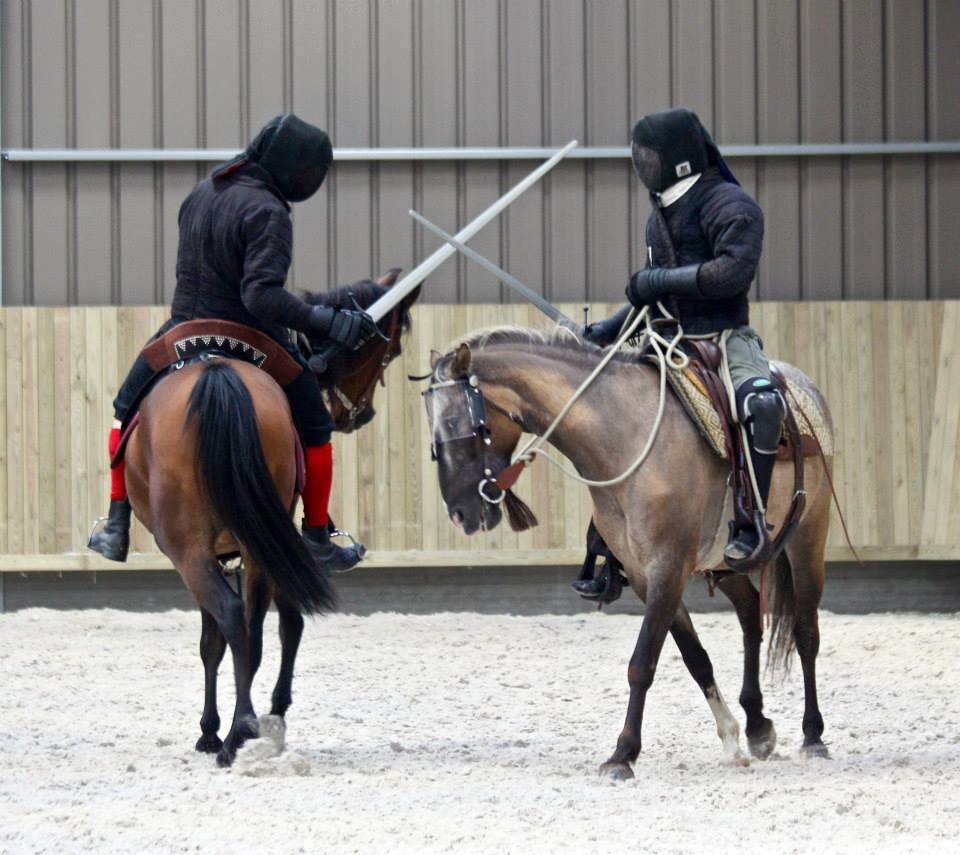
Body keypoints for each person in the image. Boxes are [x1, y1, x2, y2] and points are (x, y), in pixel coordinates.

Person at [88, 113, 377, 572]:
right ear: (294, 169)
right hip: (249, 334)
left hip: (183, 329)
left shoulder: (202, 193)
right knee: (316, 427)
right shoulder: (268, 211)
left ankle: (117, 520)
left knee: (125, 412)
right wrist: (326, 322)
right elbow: (260, 296)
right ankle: (318, 533)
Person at [583, 107, 784, 568]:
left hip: (723, 338)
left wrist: (659, 280)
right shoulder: (659, 217)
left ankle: (752, 521)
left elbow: (732, 273)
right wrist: (610, 328)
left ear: (677, 159)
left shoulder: (730, 204)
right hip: (666, 340)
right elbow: (652, 293)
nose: (641, 165)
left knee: (760, 403)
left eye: (647, 156)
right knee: (610, 415)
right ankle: (606, 544)